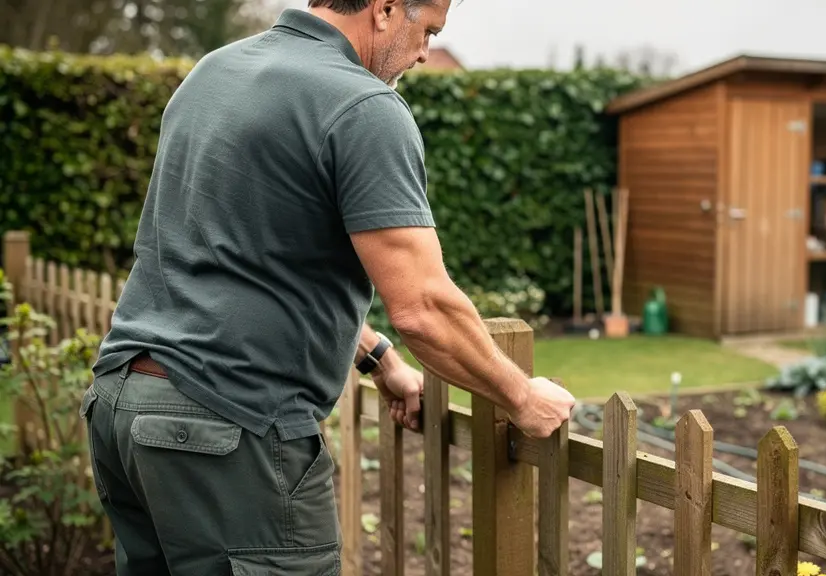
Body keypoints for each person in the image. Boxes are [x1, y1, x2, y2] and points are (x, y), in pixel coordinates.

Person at [79, 1, 577, 574]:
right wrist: (520, 396)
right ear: (387, 9)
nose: (423, 53)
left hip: (122, 407)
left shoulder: (212, 74)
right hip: (229, 429)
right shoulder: (363, 105)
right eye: (428, 31)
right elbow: (423, 307)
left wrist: (377, 356)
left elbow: (244, 258)